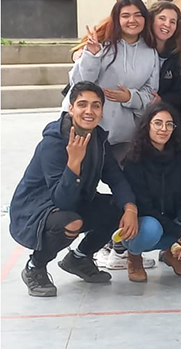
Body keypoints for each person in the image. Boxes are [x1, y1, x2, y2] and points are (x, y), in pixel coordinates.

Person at [10, 82, 139, 297]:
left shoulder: (97, 138)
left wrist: (130, 208)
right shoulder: (53, 143)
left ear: (101, 111)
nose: (89, 111)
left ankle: (79, 258)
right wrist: (74, 163)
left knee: (117, 208)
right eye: (82, 104)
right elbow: (62, 201)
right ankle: (35, 266)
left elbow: (116, 179)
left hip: (73, 201)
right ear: (71, 109)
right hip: (36, 209)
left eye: (96, 106)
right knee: (71, 222)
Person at [121, 103, 181, 282]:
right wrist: (179, 232)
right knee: (152, 227)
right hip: (145, 224)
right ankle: (134, 256)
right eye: (158, 123)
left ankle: (173, 254)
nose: (164, 129)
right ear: (147, 126)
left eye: (169, 124)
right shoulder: (134, 159)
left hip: (172, 221)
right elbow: (144, 206)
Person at [63, 0, 160, 162]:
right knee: (79, 178)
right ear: (117, 19)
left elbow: (151, 93)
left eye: (138, 15)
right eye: (125, 15)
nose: (132, 20)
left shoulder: (151, 52)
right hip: (85, 126)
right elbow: (80, 84)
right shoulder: (102, 43)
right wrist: (92, 55)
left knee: (122, 179)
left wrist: (130, 97)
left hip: (122, 133)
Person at [150, 1, 181, 118]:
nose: (167, 24)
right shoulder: (138, 48)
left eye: (172, 22)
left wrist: (162, 99)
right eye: (162, 18)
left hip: (167, 115)